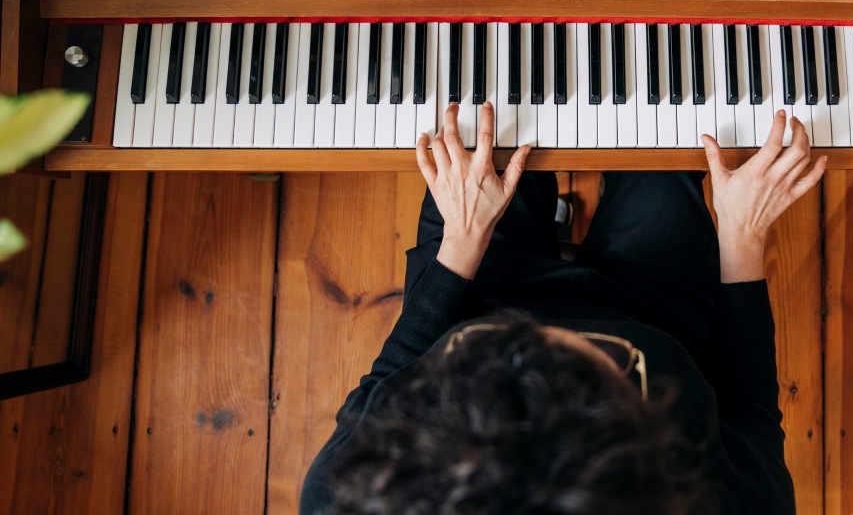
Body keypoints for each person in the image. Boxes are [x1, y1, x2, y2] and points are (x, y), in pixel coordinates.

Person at [301, 100, 826, 515]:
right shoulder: (731, 504)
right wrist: (742, 231)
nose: (566, 337)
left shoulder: (353, 490)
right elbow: (747, 406)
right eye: (611, 367)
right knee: (668, 120)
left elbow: (389, 376)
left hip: (475, 287)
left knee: (494, 107)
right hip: (659, 312)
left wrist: (462, 240)